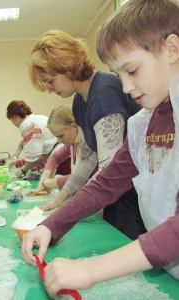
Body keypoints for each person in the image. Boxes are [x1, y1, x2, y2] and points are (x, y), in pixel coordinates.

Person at [21, 0, 179, 298]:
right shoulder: (144, 123)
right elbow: (106, 183)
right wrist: (52, 225)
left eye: (132, 70)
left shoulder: (107, 97)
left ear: (172, 49)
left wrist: (91, 269)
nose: (126, 87)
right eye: (119, 75)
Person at [25, 28, 145, 240]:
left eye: (50, 81)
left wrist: (62, 215)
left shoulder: (104, 93)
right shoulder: (80, 100)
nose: (49, 90)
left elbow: (109, 170)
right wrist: (60, 199)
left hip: (135, 192)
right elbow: (87, 160)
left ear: (67, 69)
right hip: (117, 192)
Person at [28, 104, 98, 213]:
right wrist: (42, 182)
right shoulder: (72, 144)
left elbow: (81, 177)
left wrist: (47, 183)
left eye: (61, 136)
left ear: (74, 127)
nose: (59, 141)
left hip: (96, 203)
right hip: (81, 199)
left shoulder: (88, 144)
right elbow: (55, 158)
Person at [6, 100, 69, 178]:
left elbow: (33, 156)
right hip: (64, 155)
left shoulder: (26, 124)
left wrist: (23, 170)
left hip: (60, 158)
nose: (14, 124)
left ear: (14, 117)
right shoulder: (38, 118)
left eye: (12, 121)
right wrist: (21, 164)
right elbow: (41, 155)